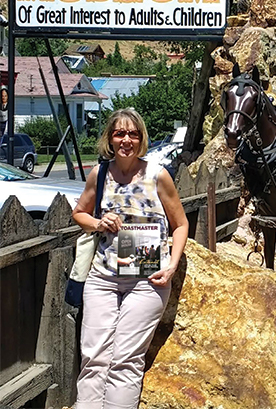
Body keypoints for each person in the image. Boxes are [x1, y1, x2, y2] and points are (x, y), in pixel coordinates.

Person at [72, 108, 188, 408]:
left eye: (133, 134)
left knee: (125, 360)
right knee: (93, 357)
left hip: (146, 279)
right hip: (103, 276)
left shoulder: (157, 174)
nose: (126, 139)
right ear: (110, 137)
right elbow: (79, 213)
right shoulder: (100, 173)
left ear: (141, 138)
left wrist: (172, 265)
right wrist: (98, 223)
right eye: (120, 133)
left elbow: (181, 224)